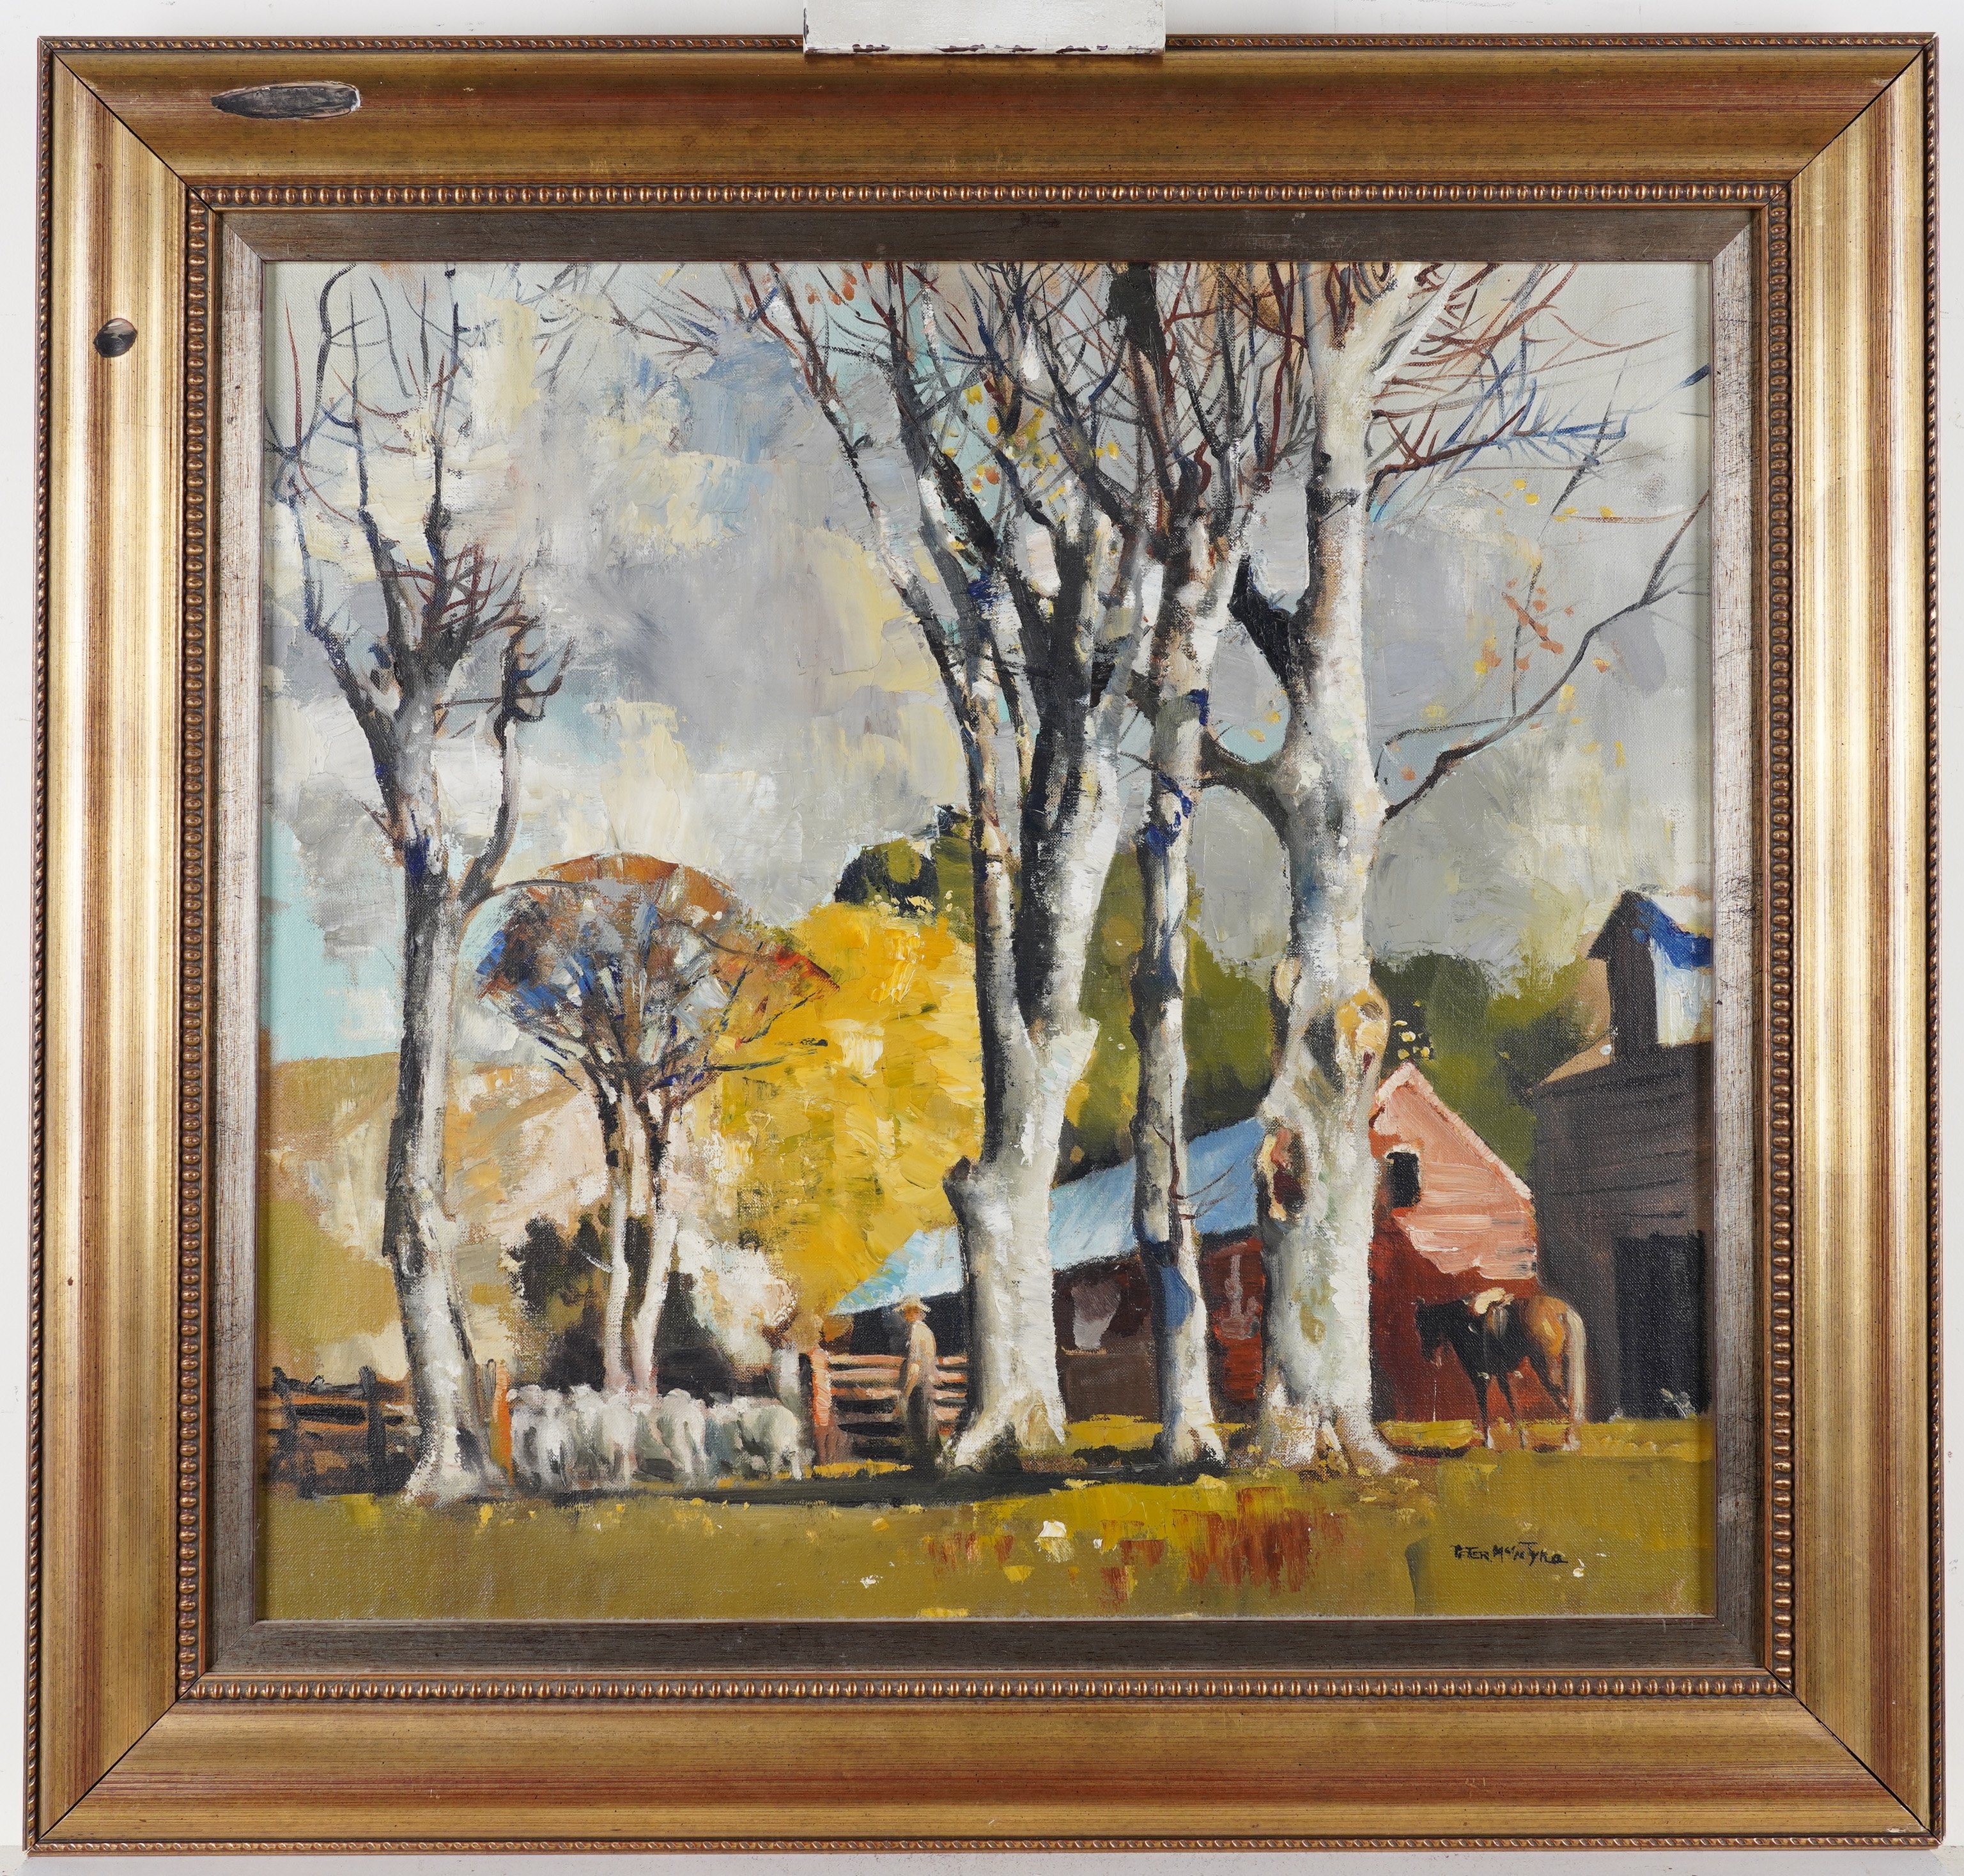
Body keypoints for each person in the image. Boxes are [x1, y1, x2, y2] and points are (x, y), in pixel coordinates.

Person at [896, 1296, 941, 1473]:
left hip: (918, 1387)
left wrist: (906, 1392)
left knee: (919, 1426)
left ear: (914, 1311)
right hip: (927, 1385)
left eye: (906, 1311)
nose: (904, 1314)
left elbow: (915, 1364)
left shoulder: (916, 1331)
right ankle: (933, 1463)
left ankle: (924, 1467)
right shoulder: (927, 1331)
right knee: (928, 1425)